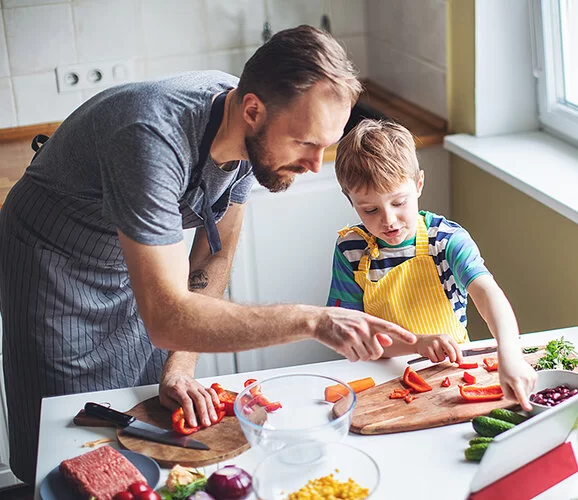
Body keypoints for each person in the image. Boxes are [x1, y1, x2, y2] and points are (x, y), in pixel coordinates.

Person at [0, 26, 416, 484]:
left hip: (131, 263)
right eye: (305, 143)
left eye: (326, 144)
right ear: (253, 110)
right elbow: (165, 316)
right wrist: (313, 320)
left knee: (137, 419)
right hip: (55, 267)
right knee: (72, 442)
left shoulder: (249, 133)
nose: (317, 165)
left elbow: (212, 257)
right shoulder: (149, 139)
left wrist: (180, 363)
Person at [327, 119, 537, 410]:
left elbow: (488, 294)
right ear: (351, 201)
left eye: (398, 202)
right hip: (380, 379)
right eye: (370, 209)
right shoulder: (350, 250)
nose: (388, 220)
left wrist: (509, 353)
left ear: (419, 185)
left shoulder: (446, 240)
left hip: (453, 372)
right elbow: (350, 335)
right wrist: (417, 343)